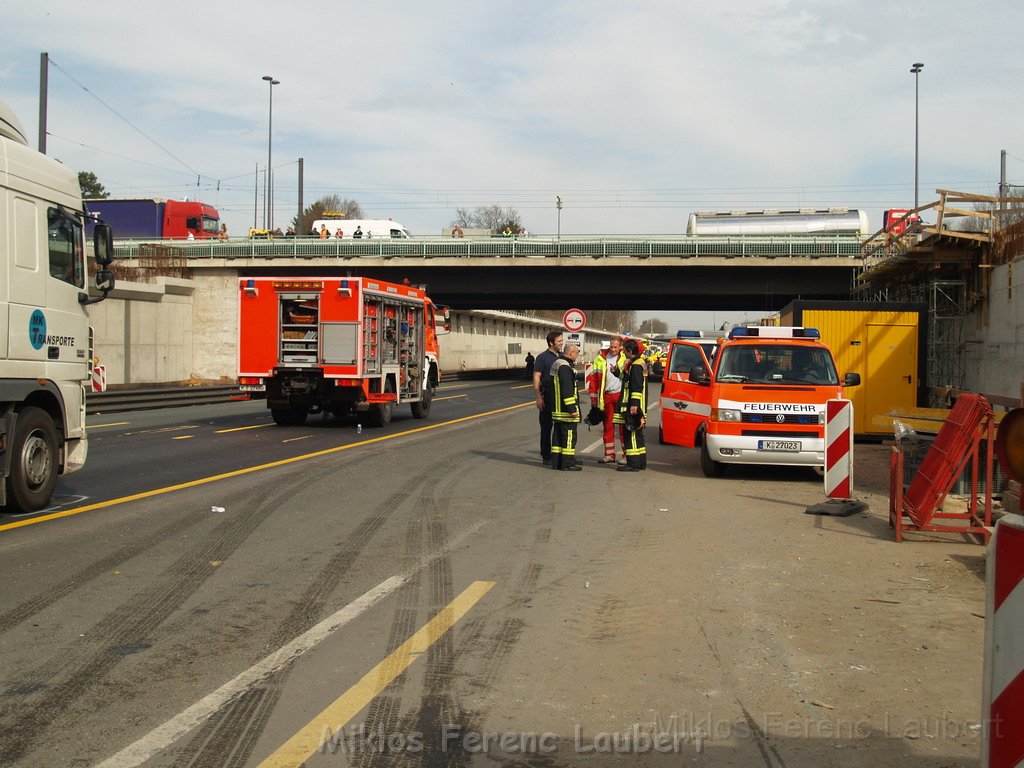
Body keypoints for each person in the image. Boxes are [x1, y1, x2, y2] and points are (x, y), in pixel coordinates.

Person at [587, 336, 627, 464]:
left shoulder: (625, 358)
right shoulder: (600, 359)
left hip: (621, 395)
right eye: (611, 346)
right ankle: (609, 454)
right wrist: (593, 398)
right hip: (607, 396)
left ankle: (626, 455)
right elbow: (593, 380)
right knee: (608, 426)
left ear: (620, 346)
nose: (613, 349)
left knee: (622, 427)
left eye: (616, 347)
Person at [614, 338, 648, 472]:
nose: (623, 353)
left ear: (629, 351)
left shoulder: (635, 366)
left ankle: (633, 464)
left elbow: (636, 386)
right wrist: (616, 372)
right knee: (638, 436)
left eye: (624, 350)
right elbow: (628, 379)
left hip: (634, 406)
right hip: (638, 405)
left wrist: (634, 405)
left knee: (631, 435)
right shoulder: (638, 363)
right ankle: (640, 462)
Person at [532, 330, 563, 465]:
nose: (562, 343)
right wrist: (538, 397)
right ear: (551, 343)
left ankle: (560, 455)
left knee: (561, 426)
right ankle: (546, 455)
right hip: (548, 396)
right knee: (546, 427)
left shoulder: (563, 356)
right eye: (559, 341)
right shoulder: (542, 358)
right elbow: (536, 377)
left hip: (561, 397)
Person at [550, 342, 582, 471]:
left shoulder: (557, 364)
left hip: (557, 409)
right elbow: (567, 390)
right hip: (566, 411)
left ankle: (557, 461)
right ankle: (567, 463)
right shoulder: (565, 367)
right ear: (571, 353)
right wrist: (572, 409)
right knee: (569, 436)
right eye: (577, 353)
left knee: (558, 436)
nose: (577, 355)